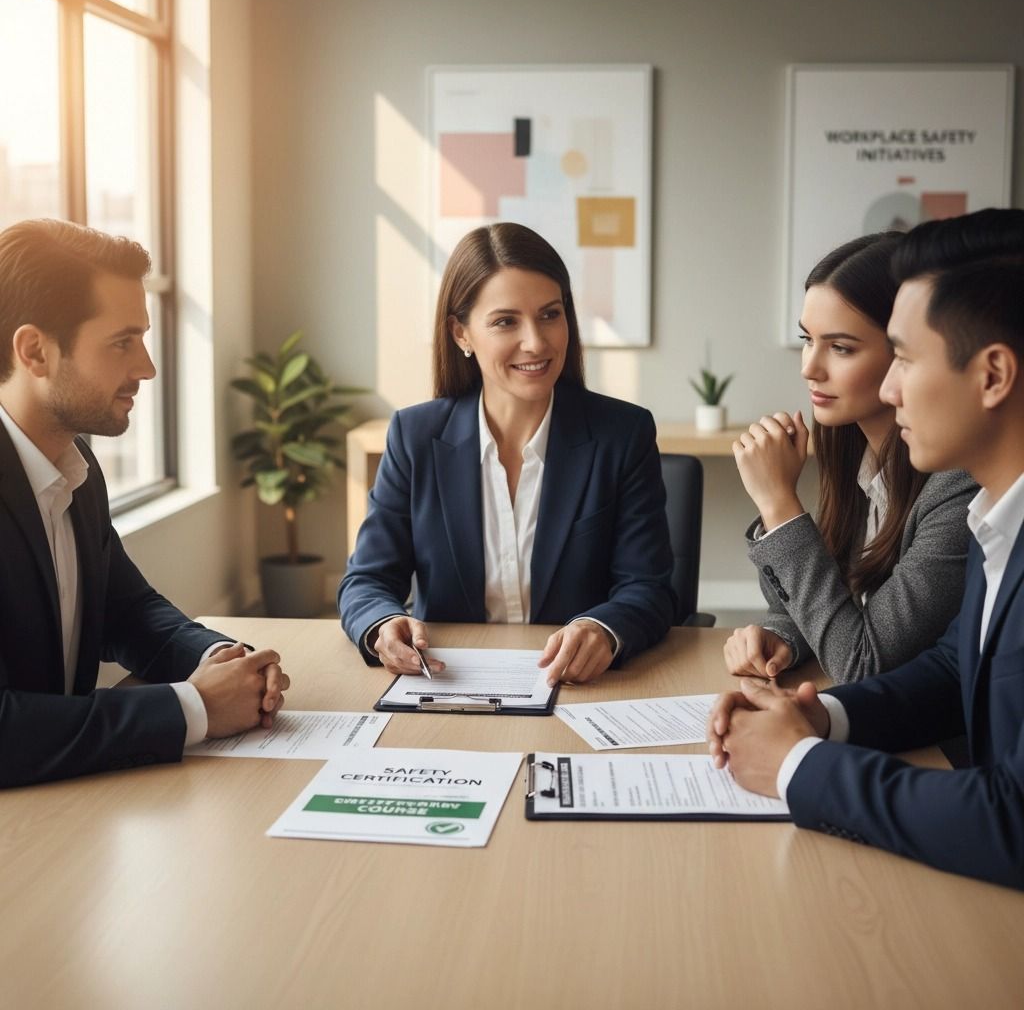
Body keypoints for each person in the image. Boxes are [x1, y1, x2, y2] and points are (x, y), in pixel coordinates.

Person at [708, 207, 1024, 890]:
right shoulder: (998, 516)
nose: (886, 389)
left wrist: (798, 766)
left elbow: (1014, 819)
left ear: (994, 375)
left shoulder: (959, 494)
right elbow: (951, 668)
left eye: (903, 358)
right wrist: (825, 715)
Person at [0, 218, 289, 789]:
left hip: (61, 809)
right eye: (122, 342)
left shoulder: (74, 466)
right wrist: (193, 708)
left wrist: (224, 660)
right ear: (35, 351)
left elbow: (128, 612)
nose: (147, 368)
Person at [339, 223, 675, 685]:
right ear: (461, 333)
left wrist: (604, 628)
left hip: (578, 686)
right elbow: (367, 581)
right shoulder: (415, 436)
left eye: (550, 315)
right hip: (449, 683)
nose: (536, 342)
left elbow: (648, 587)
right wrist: (381, 625)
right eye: (505, 321)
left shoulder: (623, 434)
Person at [726, 232, 976, 683]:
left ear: (904, 352)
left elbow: (862, 663)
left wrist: (779, 505)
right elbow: (833, 604)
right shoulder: (854, 452)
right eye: (808, 339)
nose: (809, 367)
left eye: (841, 348)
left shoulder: (958, 485)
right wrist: (783, 634)